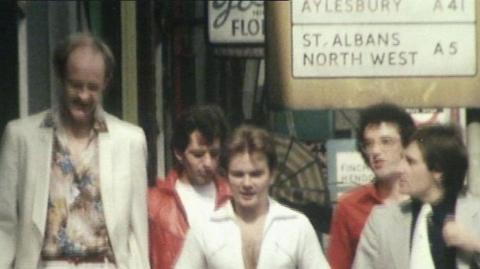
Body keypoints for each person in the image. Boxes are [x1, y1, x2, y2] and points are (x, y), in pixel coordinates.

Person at [0, 32, 149, 268]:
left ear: (106, 83)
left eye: (93, 87)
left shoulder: (130, 141)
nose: (83, 95)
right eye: (75, 85)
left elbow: (138, 232)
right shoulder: (21, 137)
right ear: (60, 77)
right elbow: (4, 225)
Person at [175, 125, 330, 269]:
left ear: (272, 175)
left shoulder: (296, 226)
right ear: (226, 176)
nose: (247, 183)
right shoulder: (205, 229)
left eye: (256, 174)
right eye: (238, 174)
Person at [353, 124, 480, 269]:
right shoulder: (382, 221)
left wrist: (474, 244)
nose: (400, 169)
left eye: (410, 162)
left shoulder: (476, 215)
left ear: (438, 170)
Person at [328, 102, 415, 269]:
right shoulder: (350, 205)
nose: (375, 151)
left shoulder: (423, 200)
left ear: (406, 146)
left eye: (386, 142)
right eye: (369, 144)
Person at [148, 104, 231, 269]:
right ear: (179, 153)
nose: (208, 163)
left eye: (214, 154)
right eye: (198, 155)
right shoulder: (153, 203)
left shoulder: (234, 198)